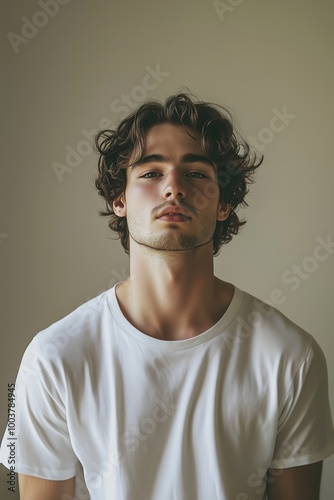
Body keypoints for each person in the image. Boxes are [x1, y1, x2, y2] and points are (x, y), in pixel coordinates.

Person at [1, 92, 334, 500]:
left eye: (195, 174)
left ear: (224, 202)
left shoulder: (290, 356)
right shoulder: (51, 358)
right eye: (150, 172)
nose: (173, 187)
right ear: (118, 199)